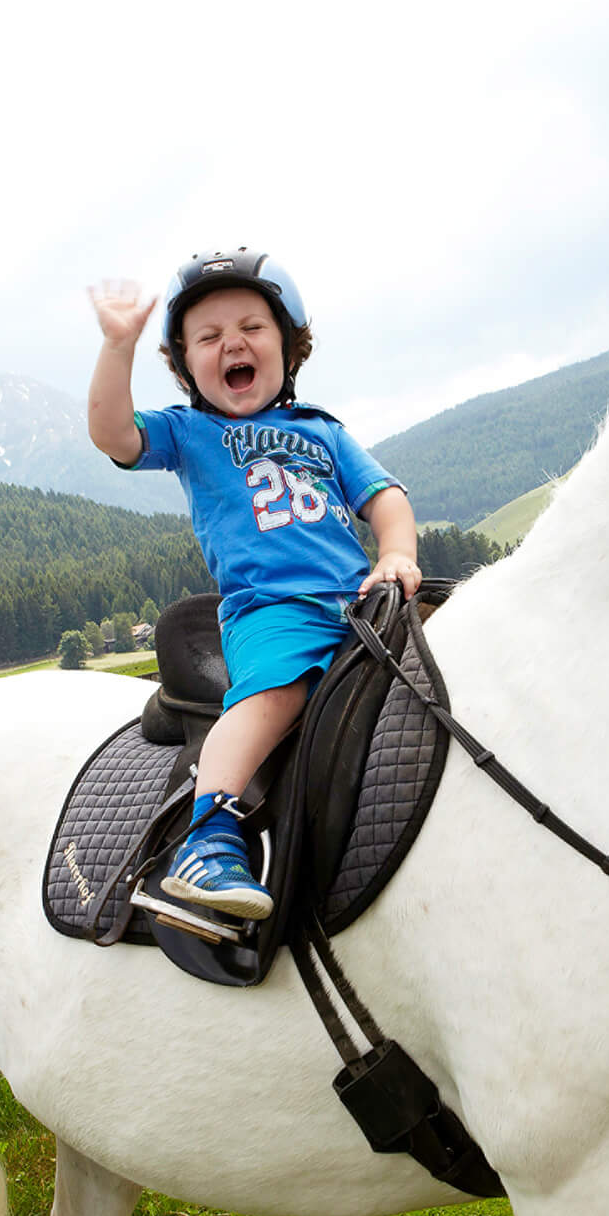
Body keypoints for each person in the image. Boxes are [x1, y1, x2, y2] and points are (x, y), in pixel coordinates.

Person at [87, 249, 420, 920]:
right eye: (208, 338)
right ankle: (207, 836)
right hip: (272, 610)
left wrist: (396, 555)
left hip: (361, 602)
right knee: (275, 694)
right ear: (185, 366)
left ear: (288, 346)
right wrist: (119, 348)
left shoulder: (323, 431)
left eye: (251, 328)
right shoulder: (188, 432)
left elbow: (384, 497)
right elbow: (113, 433)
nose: (231, 343)